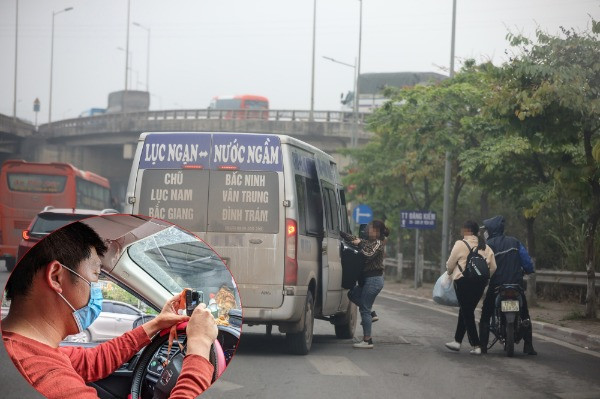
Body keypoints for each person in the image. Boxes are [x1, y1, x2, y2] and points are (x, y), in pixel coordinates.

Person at [1, 221, 218, 399]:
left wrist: (156, 324)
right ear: (57, 277)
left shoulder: (30, 350)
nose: (97, 289)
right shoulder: (47, 378)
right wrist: (198, 347)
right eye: (96, 275)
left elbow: (93, 360)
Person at [479, 215, 537, 355]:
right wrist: (528, 270)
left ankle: (483, 346)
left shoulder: (488, 246)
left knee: (486, 315)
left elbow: (481, 266)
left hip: (497, 287)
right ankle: (528, 346)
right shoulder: (515, 242)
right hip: (516, 286)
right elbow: (527, 263)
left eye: (486, 229)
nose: (485, 232)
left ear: (491, 230)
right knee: (525, 315)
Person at [445, 220, 497, 355]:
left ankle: (476, 344)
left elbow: (450, 264)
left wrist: (449, 274)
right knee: (465, 310)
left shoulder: (460, 244)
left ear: (467, 230)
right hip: (480, 284)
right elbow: (493, 267)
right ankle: (457, 341)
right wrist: (485, 278)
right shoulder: (485, 246)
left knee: (467, 312)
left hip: (463, 282)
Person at [340, 220, 389, 349]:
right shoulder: (368, 242)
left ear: (377, 232)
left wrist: (360, 243)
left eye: (371, 229)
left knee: (364, 309)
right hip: (367, 280)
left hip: (374, 280)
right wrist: (342, 234)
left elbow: (368, 253)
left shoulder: (378, 243)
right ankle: (371, 314)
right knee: (352, 294)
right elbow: (354, 239)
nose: (368, 230)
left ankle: (367, 340)